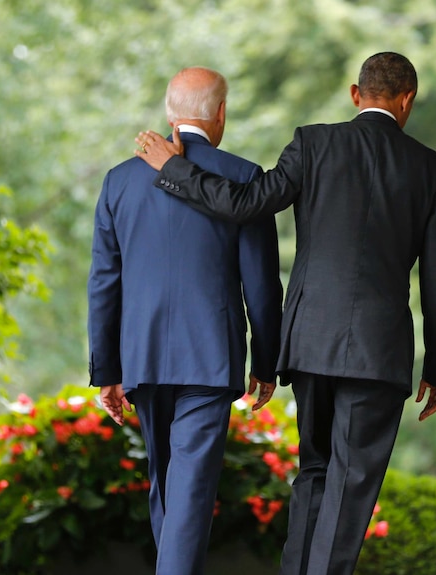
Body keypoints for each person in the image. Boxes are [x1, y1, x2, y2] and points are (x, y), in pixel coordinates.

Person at [134, 52, 436, 575]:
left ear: (356, 95)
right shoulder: (434, 171)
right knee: (351, 483)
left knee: (314, 472)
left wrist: (173, 168)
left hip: (310, 341)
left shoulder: (313, 142)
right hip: (378, 354)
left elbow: (244, 205)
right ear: (408, 101)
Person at [87, 66, 283, 575]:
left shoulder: (119, 181)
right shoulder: (244, 177)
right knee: (188, 495)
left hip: (143, 357)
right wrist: (267, 361)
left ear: (170, 112)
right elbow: (261, 284)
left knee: (168, 489)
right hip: (210, 359)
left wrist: (106, 369)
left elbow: (104, 282)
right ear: (220, 114)